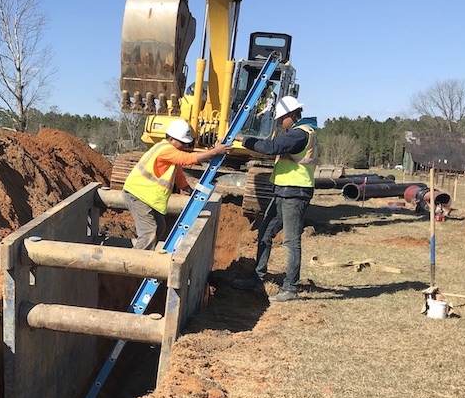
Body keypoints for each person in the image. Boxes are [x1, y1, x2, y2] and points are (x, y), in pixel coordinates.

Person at [231, 95, 318, 302]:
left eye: (281, 118)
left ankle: (290, 288)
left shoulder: (299, 134)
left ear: (292, 114)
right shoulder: (297, 132)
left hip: (295, 192)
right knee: (265, 233)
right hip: (284, 191)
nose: (280, 122)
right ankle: (256, 277)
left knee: (291, 241)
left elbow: (271, 148)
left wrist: (244, 139)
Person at [122, 119, 228, 250]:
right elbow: (186, 159)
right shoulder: (166, 149)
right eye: (182, 142)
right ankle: (133, 264)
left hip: (146, 198)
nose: (184, 146)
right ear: (171, 138)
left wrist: (188, 189)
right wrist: (213, 152)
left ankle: (145, 260)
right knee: (148, 233)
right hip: (138, 195)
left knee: (160, 228)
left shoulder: (170, 152)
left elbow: (178, 175)